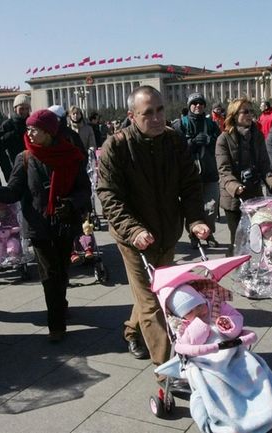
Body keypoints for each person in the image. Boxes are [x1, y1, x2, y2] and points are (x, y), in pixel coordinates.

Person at [96, 85, 210, 367]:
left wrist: (195, 220)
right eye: (148, 113)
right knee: (152, 303)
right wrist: (133, 230)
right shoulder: (117, 146)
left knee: (154, 291)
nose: (158, 118)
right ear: (132, 116)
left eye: (160, 110)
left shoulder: (174, 141)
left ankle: (131, 331)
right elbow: (108, 194)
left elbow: (190, 184)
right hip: (133, 237)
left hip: (167, 232)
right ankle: (168, 369)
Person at [0, 109, 90, 342]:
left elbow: (84, 190)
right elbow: (13, 191)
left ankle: (60, 305)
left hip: (65, 223)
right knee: (49, 274)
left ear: (49, 132)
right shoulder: (24, 158)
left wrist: (71, 204)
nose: (30, 134)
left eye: (35, 130)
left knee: (62, 270)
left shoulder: (71, 155)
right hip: (39, 225)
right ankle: (56, 325)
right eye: (29, 129)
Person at [160, 283, 272, 433]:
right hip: (206, 362)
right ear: (181, 316)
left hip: (232, 351)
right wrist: (200, 325)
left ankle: (262, 407)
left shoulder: (216, 307)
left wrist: (229, 325)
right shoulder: (181, 326)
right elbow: (186, 344)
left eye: (199, 306)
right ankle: (233, 420)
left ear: (204, 300)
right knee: (217, 386)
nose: (198, 312)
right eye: (190, 311)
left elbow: (237, 318)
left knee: (255, 370)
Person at [216, 98, 272, 255]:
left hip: (254, 194)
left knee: (256, 234)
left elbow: (264, 164)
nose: (250, 115)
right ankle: (236, 265)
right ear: (234, 114)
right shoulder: (223, 139)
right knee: (238, 237)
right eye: (245, 111)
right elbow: (224, 170)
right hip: (234, 197)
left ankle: (252, 266)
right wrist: (235, 186)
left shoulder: (257, 136)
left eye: (252, 111)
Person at [173, 92, 221, 249]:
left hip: (210, 172)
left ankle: (208, 233)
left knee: (212, 207)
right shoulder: (181, 124)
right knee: (194, 206)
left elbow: (220, 142)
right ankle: (194, 235)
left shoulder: (211, 124)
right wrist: (191, 143)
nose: (198, 106)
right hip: (191, 174)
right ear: (189, 106)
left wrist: (210, 140)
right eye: (194, 103)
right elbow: (175, 147)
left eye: (201, 103)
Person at [0, 94, 31, 163]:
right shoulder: (7, 124)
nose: (24, 111)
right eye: (21, 108)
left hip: (32, 162)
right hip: (15, 162)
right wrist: (11, 135)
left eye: (27, 108)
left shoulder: (32, 123)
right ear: (15, 109)